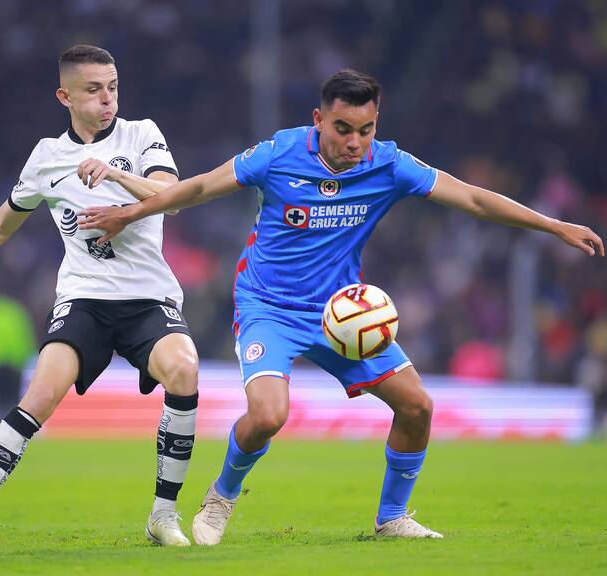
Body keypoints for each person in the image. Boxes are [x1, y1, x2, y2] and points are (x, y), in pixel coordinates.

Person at [79, 69, 605, 544]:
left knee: (418, 407)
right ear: (319, 120)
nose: (355, 143)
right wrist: (131, 213)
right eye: (343, 129)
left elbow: (470, 197)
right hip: (269, 306)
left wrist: (552, 225)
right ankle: (222, 496)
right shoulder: (278, 153)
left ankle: (392, 518)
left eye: (366, 130)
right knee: (267, 415)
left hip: (340, 315)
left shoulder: (390, 164)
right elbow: (196, 189)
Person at [0, 45, 200, 549]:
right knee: (39, 396)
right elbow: (0, 226)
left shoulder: (142, 133)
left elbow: (167, 198)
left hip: (147, 298)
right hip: (84, 299)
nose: (107, 99)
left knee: (186, 368)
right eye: (93, 90)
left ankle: (162, 515)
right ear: (65, 96)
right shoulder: (47, 157)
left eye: (112, 87)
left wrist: (112, 174)